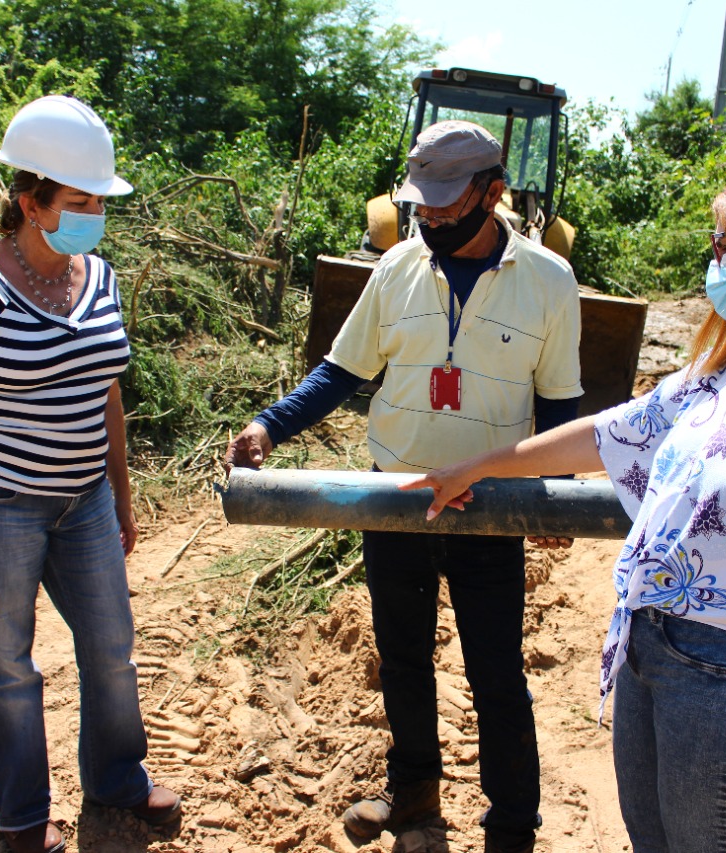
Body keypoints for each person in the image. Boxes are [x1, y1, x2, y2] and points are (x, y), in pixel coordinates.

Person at [404, 158, 726, 853]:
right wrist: (481, 466)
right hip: (651, 649)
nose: (714, 263)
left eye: (724, 244)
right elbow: (614, 430)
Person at [225, 120, 583, 853]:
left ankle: (513, 824)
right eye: (424, 203)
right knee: (403, 655)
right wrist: (270, 426)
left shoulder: (550, 280)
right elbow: (343, 370)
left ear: (494, 192)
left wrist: (553, 489)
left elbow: (559, 403)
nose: (433, 218)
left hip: (490, 506)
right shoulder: (396, 269)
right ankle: (414, 786)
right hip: (398, 497)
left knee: (495, 671)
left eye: (451, 203)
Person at [0, 95, 180, 853]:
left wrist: (120, 495)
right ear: (32, 202)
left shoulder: (99, 280)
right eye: (82, 200)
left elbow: (108, 394)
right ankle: (22, 818)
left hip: (83, 500)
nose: (96, 213)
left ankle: (118, 779)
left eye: (100, 200)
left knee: (111, 647)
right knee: (8, 665)